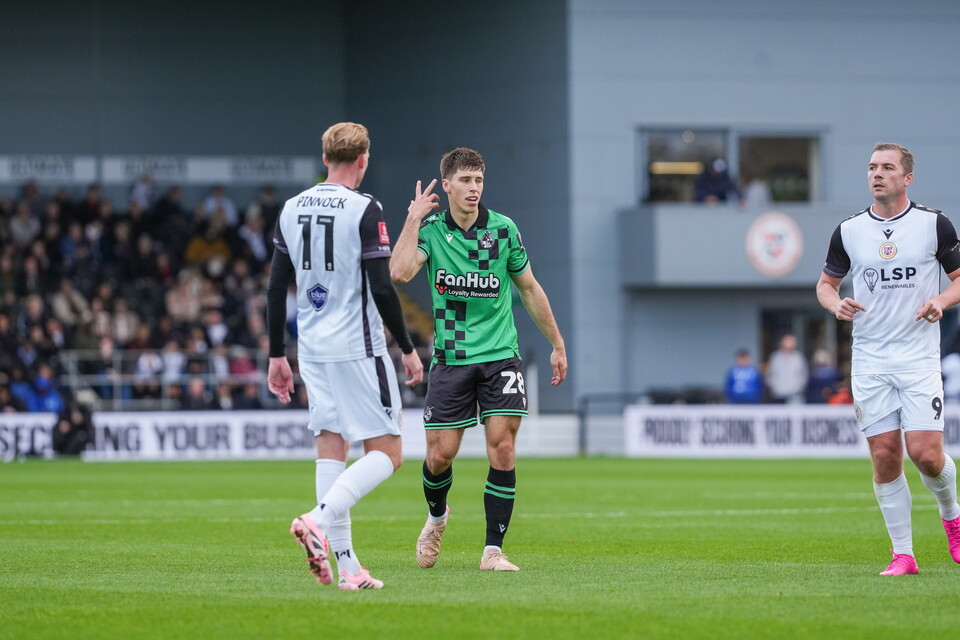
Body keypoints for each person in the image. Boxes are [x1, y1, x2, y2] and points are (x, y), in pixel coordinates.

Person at [391, 147, 568, 572]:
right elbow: (398, 272)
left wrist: (558, 343)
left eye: (480, 180)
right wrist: (413, 218)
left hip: (500, 357)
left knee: (503, 449)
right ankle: (437, 518)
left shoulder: (504, 230)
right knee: (439, 457)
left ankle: (493, 550)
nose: (474, 188)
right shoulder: (431, 231)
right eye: (466, 181)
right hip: (452, 359)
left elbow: (528, 289)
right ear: (447, 185)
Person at [267, 122, 423, 590]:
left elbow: (277, 286)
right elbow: (381, 285)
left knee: (331, 446)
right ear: (363, 160)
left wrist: (277, 354)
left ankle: (349, 566)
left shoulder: (291, 208)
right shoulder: (365, 207)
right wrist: (409, 349)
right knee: (390, 452)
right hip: (359, 346)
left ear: (324, 158)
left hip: (312, 349)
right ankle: (316, 519)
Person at [816, 142, 960, 576]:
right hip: (870, 359)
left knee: (926, 455)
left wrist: (941, 300)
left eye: (887, 167)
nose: (877, 174)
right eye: (872, 167)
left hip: (918, 358)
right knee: (884, 454)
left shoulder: (934, 225)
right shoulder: (849, 230)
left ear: (907, 177)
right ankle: (904, 555)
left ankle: (952, 517)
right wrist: (834, 304)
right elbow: (825, 284)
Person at [765, 334, 807, 403]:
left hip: (794, 394)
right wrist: (774, 387)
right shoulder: (775, 357)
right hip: (777, 394)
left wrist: (798, 387)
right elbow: (769, 374)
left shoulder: (799, 357)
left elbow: (803, 375)